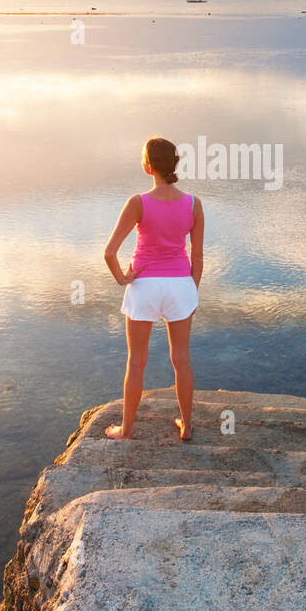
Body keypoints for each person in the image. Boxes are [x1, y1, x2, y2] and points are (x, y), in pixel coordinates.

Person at [103, 136, 204, 441]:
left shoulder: (138, 203)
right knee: (182, 359)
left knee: (136, 361)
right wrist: (192, 293)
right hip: (179, 286)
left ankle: (127, 430)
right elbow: (197, 256)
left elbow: (109, 253)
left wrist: (123, 278)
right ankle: (186, 426)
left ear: (149, 165)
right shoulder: (193, 204)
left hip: (144, 285)